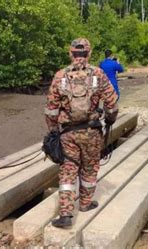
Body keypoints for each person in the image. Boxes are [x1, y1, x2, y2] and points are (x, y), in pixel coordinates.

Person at [45, 38, 118, 228]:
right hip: (92, 132)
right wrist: (110, 120)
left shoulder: (60, 76)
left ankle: (66, 214)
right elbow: (112, 104)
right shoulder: (99, 74)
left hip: (68, 134)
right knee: (90, 168)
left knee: (68, 171)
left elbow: (51, 109)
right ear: (89, 53)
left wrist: (53, 132)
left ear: (70, 53)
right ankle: (85, 204)